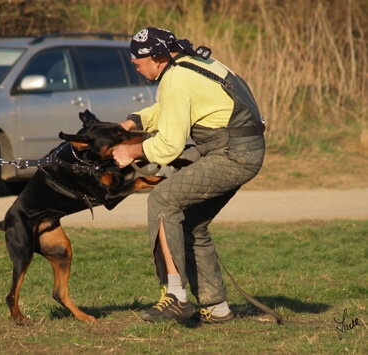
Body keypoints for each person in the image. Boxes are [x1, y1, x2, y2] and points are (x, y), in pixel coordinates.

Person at [113, 27, 265, 323]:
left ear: (156, 58)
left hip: (232, 154)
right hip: (246, 148)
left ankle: (175, 297)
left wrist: (131, 152)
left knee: (162, 201)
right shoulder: (194, 63)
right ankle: (217, 307)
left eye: (137, 61)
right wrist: (133, 123)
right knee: (192, 222)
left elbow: (169, 146)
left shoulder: (174, 80)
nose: (135, 65)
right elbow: (170, 107)